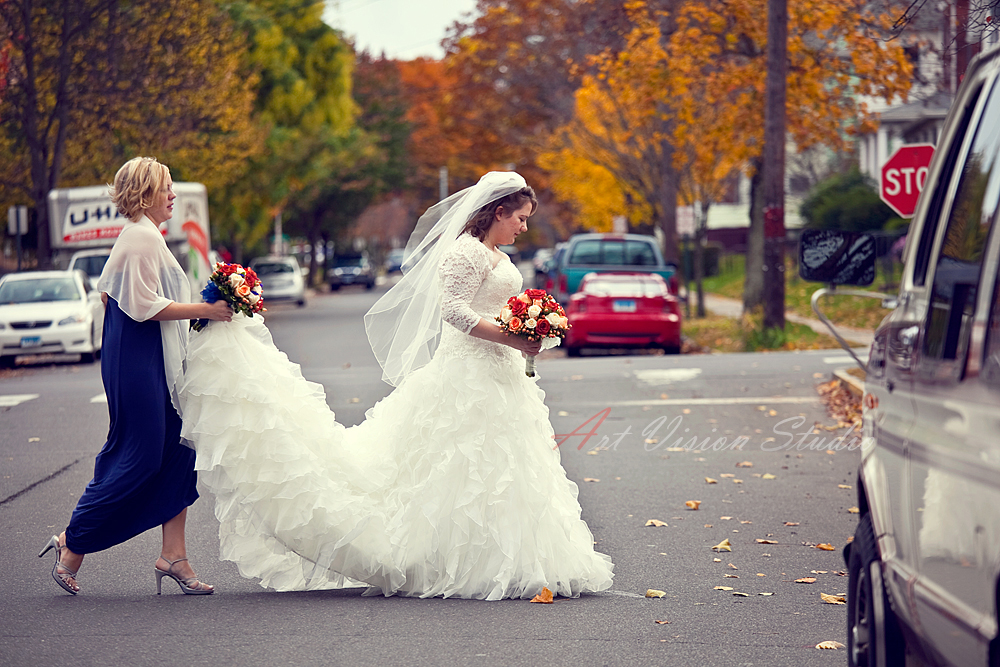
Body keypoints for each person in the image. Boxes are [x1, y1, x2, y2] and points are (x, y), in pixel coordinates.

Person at [180, 171, 614, 599]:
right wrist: (513, 337)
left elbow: (494, 309)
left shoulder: (497, 254)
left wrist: (525, 337)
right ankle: (452, 560)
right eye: (520, 218)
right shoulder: (466, 252)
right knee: (458, 465)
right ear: (498, 212)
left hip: (500, 372)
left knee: (506, 467)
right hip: (466, 374)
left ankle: (518, 559)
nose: (524, 227)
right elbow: (456, 313)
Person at [39, 157, 232, 595]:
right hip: (137, 364)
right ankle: (72, 543)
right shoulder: (141, 238)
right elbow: (144, 305)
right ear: (145, 193)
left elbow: (113, 297)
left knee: (179, 449)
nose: (173, 195)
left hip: (147, 356)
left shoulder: (144, 237)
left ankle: (174, 556)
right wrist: (205, 310)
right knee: (139, 456)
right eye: (166, 188)